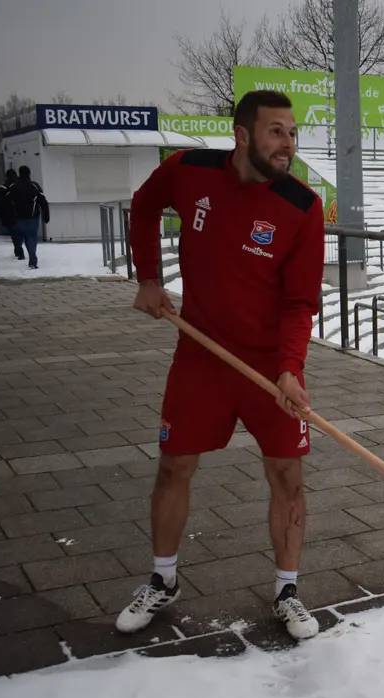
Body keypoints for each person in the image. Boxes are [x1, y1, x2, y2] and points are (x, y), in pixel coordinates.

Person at [117, 89, 326, 641]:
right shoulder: (189, 170)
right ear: (242, 134)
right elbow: (143, 205)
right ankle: (163, 581)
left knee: (287, 475)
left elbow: (300, 302)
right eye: (276, 131)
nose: (288, 143)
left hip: (269, 367)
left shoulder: (302, 208)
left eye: (292, 131)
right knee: (173, 466)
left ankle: (287, 590)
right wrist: (147, 278)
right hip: (200, 355)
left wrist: (289, 368)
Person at [4, 165, 49, 268]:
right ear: (29, 173)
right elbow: (43, 201)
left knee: (21, 237)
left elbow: (6, 203)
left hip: (18, 217)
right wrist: (46, 215)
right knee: (31, 238)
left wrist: (9, 217)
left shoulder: (13, 187)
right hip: (33, 217)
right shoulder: (34, 186)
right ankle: (32, 257)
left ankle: (21, 252)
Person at [0, 168, 21, 260]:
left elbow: (1, 203)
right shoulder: (18, 185)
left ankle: (18, 250)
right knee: (21, 233)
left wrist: (2, 217)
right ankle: (21, 250)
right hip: (21, 213)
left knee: (15, 235)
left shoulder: (4, 187)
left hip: (10, 214)